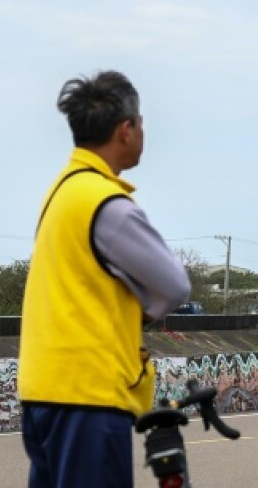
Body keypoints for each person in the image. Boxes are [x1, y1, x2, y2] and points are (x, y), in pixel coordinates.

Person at [18, 71, 191, 487]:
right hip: (88, 397)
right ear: (125, 129)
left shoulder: (61, 191)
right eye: (142, 122)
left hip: (42, 391)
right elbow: (174, 285)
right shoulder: (107, 204)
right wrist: (145, 312)